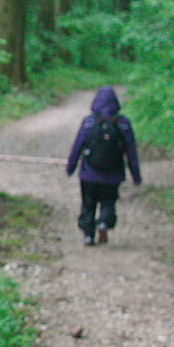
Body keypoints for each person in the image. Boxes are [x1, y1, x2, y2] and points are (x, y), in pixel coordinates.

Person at [66, 86, 142, 246]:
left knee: (88, 203)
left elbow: (77, 145)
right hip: (113, 175)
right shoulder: (122, 123)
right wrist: (136, 175)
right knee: (108, 201)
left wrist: (70, 167)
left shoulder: (88, 122)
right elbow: (131, 151)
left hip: (88, 174)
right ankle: (104, 223)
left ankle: (88, 235)